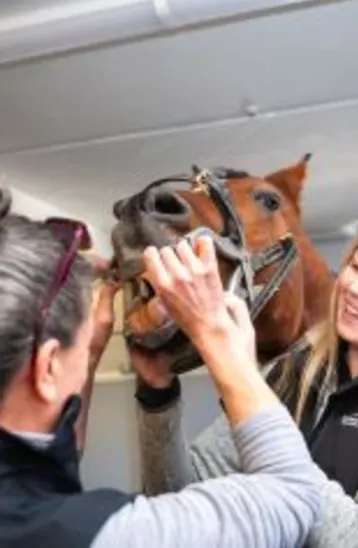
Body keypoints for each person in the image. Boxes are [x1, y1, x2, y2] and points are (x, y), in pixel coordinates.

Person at [0, 215, 320, 548]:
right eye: (81, 345)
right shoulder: (100, 536)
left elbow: (38, 470)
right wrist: (217, 335)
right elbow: (293, 492)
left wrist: (91, 352)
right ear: (48, 366)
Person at [132, 209, 358, 547]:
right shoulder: (292, 371)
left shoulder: (258, 389)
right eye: (357, 267)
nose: (357, 288)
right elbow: (177, 495)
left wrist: (242, 380)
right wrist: (158, 394)